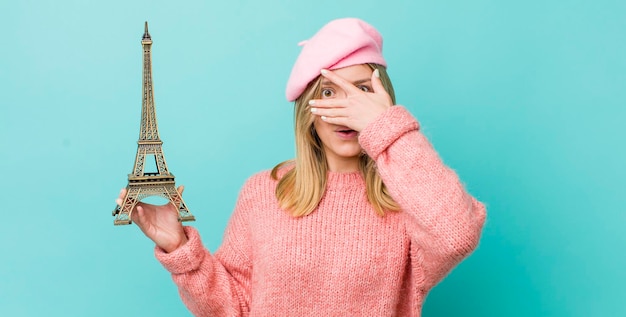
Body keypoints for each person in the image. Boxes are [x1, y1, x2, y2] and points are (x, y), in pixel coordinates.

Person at [116, 17, 486, 316]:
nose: (346, 108)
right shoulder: (264, 191)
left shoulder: (410, 202)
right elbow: (235, 308)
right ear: (308, 107)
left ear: (383, 101)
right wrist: (181, 249)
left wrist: (385, 126)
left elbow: (457, 234)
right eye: (328, 92)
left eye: (361, 90)